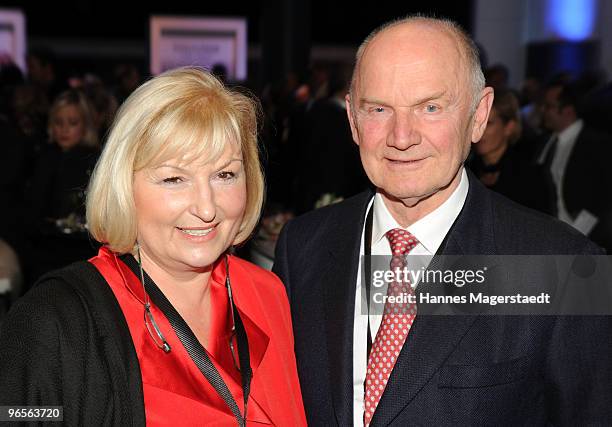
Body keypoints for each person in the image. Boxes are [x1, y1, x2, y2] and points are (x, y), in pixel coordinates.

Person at [273, 16, 612, 425]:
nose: (401, 136)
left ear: (479, 114)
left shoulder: (568, 270)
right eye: (379, 109)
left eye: (430, 107)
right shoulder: (301, 247)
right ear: (352, 119)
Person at [0, 67, 306, 426]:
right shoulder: (53, 321)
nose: (206, 208)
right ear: (123, 187)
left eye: (225, 175)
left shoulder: (268, 295)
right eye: (174, 179)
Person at [536, 81, 612, 251]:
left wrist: (576, 234)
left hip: (588, 240)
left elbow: (603, 197)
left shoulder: (598, 145)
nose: (543, 111)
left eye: (549, 106)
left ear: (568, 111)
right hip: (550, 236)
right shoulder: (544, 142)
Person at [468, 89, 547, 211]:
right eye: (475, 122)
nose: (479, 129)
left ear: (509, 127)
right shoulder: (465, 171)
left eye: (488, 123)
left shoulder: (529, 175)